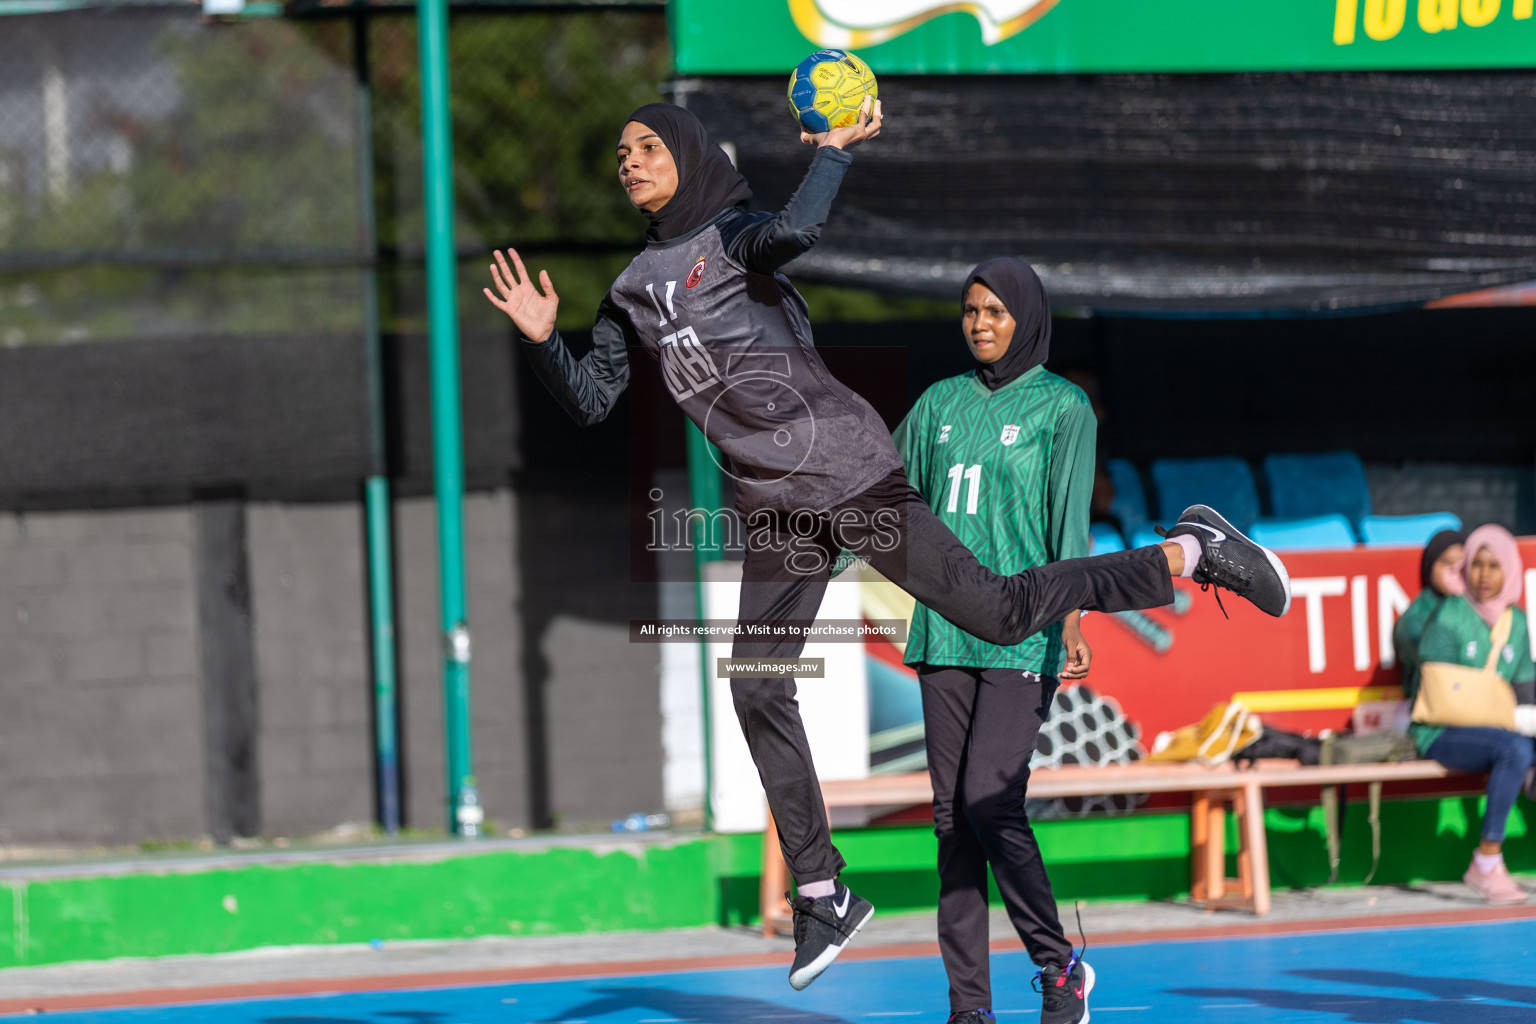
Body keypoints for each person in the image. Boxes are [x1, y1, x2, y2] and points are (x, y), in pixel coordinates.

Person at [481, 100, 1292, 990]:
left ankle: (1190, 552)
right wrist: (539, 340)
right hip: (777, 508)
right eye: (621, 152)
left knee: (1002, 609)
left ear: (686, 157)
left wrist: (832, 153)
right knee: (756, 684)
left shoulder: (734, 235)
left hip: (850, 475)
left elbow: (796, 231)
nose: (629, 162)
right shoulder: (633, 289)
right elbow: (594, 398)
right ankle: (824, 893)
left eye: (647, 148)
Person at [893, 257, 1095, 1024]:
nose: (980, 322)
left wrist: (1071, 617)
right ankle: (968, 1010)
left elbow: (1068, 525)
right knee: (952, 820)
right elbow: (882, 493)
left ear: (1027, 318)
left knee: (990, 798)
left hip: (1022, 629)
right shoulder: (938, 403)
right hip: (943, 631)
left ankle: (1058, 966)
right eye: (971, 310)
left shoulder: (1064, 408)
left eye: (996, 311)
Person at [1409, 524, 1533, 904]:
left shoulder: (1517, 623)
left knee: (1520, 748)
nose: (1483, 574)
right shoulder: (1450, 613)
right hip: (1439, 732)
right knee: (1515, 750)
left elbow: (1526, 691)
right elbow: (1437, 690)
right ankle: (1485, 864)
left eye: (1494, 565)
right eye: (1476, 564)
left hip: (1497, 731)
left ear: (1510, 569)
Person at [1392, 528, 1467, 698]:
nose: (1455, 570)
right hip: (1432, 713)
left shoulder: (1474, 608)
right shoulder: (1414, 619)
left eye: (1462, 563)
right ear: (1430, 566)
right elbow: (1440, 665)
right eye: (1447, 562)